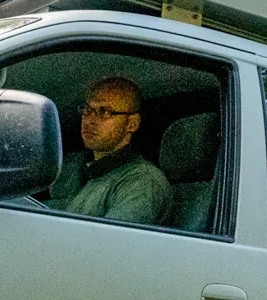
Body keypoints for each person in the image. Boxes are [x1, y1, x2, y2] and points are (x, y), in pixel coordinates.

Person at [46, 75, 173, 225]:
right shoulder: (92, 175)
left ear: (131, 124)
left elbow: (110, 244)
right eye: (87, 110)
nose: (90, 120)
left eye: (105, 112)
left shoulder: (142, 181)